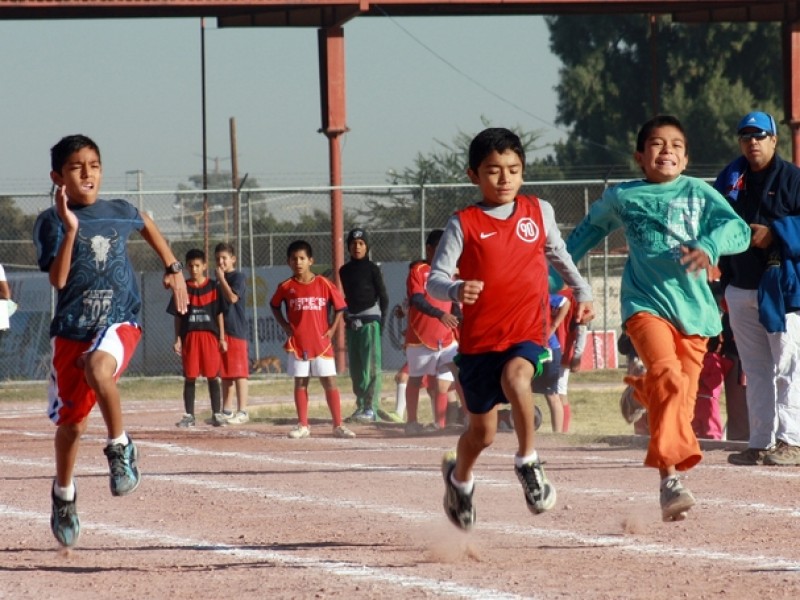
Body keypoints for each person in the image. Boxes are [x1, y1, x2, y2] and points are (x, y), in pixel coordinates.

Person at [566, 115, 750, 521]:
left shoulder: (699, 193)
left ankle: (643, 394)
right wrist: (546, 278)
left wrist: (709, 244)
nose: (666, 150)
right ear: (639, 156)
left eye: (676, 146)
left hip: (696, 314)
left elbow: (738, 230)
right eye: (656, 144)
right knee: (666, 373)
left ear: (685, 160)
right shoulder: (623, 197)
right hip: (644, 304)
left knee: (680, 406)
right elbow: (583, 237)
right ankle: (670, 482)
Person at [426, 127, 594, 531]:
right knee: (480, 434)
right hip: (480, 341)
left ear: (523, 172)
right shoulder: (463, 223)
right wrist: (454, 287)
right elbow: (435, 278)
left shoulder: (538, 211)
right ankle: (460, 481)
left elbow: (559, 254)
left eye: (513, 170)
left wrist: (582, 289)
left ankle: (528, 462)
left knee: (518, 377)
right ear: (473, 175)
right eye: (493, 171)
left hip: (527, 332)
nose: (504, 179)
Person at [33, 134, 189, 547]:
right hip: (73, 330)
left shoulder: (119, 211)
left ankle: (120, 448)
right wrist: (70, 229)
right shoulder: (50, 220)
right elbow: (59, 279)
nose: (87, 173)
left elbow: (147, 222)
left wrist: (172, 266)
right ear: (58, 177)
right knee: (71, 427)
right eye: (76, 167)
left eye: (94, 165)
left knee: (100, 367)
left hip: (120, 321)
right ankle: (64, 494)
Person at [715, 111, 800, 466]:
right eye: (746, 136)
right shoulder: (732, 180)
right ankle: (761, 440)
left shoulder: (792, 178)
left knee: (789, 366)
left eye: (760, 135)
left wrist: (776, 232)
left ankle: (791, 440)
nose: (753, 142)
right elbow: (714, 222)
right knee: (756, 368)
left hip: (781, 290)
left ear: (774, 140)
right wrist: (721, 285)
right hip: (741, 286)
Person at [270, 240, 356, 439]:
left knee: (329, 381)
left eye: (302, 258)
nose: (298, 262)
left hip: (321, 343)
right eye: (294, 259)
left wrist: (333, 329)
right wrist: (284, 325)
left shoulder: (324, 283)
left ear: (311, 260)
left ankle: (338, 425)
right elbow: (274, 306)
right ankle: (303, 425)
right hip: (298, 343)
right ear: (288, 262)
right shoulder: (286, 286)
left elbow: (340, 307)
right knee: (301, 382)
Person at [402, 229, 462, 435]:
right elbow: (417, 300)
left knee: (458, 372)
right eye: (440, 249)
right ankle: (411, 422)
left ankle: (446, 423)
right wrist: (440, 315)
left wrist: (459, 318)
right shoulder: (418, 271)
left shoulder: (450, 273)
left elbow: (454, 304)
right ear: (429, 249)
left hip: (446, 337)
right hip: (420, 336)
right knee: (417, 379)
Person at [169, 249, 227, 428]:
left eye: (197, 265)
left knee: (212, 375)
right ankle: (189, 415)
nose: (194, 269)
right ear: (186, 267)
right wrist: (178, 339)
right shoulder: (182, 288)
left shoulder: (214, 287)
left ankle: (217, 413)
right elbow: (178, 316)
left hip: (209, 336)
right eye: (191, 266)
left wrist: (222, 338)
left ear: (204, 266)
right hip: (191, 337)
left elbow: (219, 314)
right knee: (190, 376)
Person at [339, 228, 389, 423]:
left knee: (372, 367)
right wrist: (346, 316)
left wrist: (381, 323)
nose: (357, 247)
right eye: (353, 244)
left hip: (370, 322)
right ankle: (361, 405)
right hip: (353, 324)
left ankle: (371, 408)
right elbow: (348, 297)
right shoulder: (344, 271)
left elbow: (383, 297)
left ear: (367, 246)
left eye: (361, 244)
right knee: (357, 368)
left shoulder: (373, 269)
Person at [215, 242, 250, 425]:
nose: (221, 262)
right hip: (223, 332)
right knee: (226, 373)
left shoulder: (238, 277)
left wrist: (221, 279)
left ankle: (243, 410)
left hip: (237, 330)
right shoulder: (217, 281)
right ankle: (226, 410)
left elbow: (233, 298)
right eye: (218, 259)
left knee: (239, 373)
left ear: (233, 259)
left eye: (224, 258)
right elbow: (218, 309)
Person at [554, 286, 588, 433]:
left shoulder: (574, 295)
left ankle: (562, 432)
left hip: (562, 350)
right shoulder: (545, 290)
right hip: (542, 349)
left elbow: (582, 327)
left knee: (559, 392)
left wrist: (578, 355)